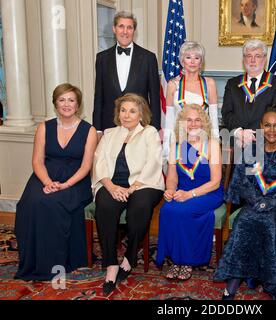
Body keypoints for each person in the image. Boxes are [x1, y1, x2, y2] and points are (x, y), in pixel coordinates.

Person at [214, 106, 276, 300]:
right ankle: (233, 284)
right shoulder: (252, 151)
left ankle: (270, 278)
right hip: (253, 202)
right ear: (261, 126)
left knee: (268, 221)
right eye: (267, 125)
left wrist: (270, 202)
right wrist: (256, 200)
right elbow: (244, 181)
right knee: (244, 220)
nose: (271, 130)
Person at [14, 83, 97, 281]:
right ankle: (33, 260)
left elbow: (86, 166)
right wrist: (47, 182)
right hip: (45, 176)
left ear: (78, 105)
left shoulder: (89, 130)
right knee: (31, 202)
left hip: (75, 181)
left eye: (71, 100)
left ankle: (57, 262)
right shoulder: (44, 127)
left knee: (53, 202)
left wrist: (65, 184)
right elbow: (37, 160)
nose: (66, 104)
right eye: (62, 100)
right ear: (55, 104)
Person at [92, 93, 164, 295]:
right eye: (123, 110)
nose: (126, 115)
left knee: (138, 210)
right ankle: (110, 264)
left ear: (141, 114)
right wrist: (111, 186)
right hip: (113, 184)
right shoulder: (109, 133)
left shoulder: (149, 133)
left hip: (144, 184)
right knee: (105, 207)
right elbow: (99, 163)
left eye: (132, 111)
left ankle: (130, 257)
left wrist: (131, 189)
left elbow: (153, 163)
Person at [157, 104, 223, 281]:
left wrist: (190, 194)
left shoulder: (213, 145)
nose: (193, 124)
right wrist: (170, 190)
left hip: (208, 193)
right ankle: (175, 259)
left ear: (203, 124)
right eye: (189, 120)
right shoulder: (177, 146)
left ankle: (186, 261)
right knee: (167, 209)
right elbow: (172, 177)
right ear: (182, 123)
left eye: (197, 120)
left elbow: (215, 182)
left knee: (183, 210)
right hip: (182, 191)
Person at [93, 11, 161, 133]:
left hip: (140, 127)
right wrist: (97, 129)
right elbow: (98, 96)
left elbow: (155, 98)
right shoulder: (102, 58)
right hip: (110, 127)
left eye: (129, 27)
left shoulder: (148, 58)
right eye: (121, 26)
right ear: (114, 29)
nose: (125, 31)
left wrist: (154, 128)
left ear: (134, 31)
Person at [221, 39, 276, 148]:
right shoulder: (232, 83)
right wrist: (240, 132)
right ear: (243, 59)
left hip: (265, 141)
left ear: (264, 59)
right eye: (248, 56)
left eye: (257, 56)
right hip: (237, 141)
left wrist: (254, 135)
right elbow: (227, 113)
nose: (252, 60)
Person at [163, 41, 219, 162]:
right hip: (179, 139)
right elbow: (169, 119)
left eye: (197, 58)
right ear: (182, 61)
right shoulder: (173, 85)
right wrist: (167, 145)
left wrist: (215, 144)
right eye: (188, 57)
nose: (192, 61)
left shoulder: (209, 84)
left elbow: (213, 118)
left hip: (202, 139)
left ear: (201, 62)